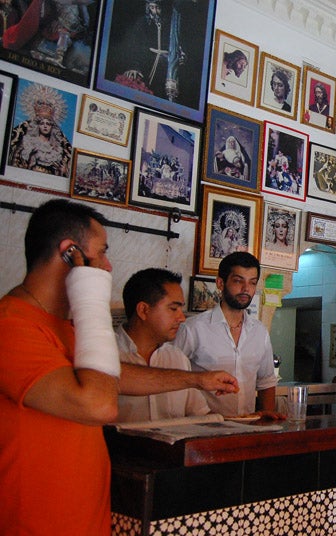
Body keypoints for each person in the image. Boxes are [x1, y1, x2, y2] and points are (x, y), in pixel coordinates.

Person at [0, 199, 238, 535]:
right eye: (102, 252)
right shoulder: (11, 326)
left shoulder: (60, 327)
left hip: (85, 517)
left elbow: (113, 375)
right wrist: (90, 297)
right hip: (36, 522)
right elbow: (98, 402)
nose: (109, 266)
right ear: (70, 254)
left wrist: (197, 379)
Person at [175, 252, 282, 419]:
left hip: (247, 428)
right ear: (220, 283)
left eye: (252, 283)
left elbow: (266, 382)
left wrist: (268, 420)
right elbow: (172, 378)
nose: (246, 289)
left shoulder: (259, 332)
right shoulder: (193, 329)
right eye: (238, 281)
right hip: (203, 428)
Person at [116, 268, 217, 422]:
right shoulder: (106, 353)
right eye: (173, 309)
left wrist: (244, 423)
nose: (182, 318)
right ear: (143, 310)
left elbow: (200, 415)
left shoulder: (177, 357)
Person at [8, 81, 73, 177]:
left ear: (52, 126)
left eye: (48, 124)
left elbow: (64, 171)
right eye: (42, 123)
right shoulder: (26, 140)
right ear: (37, 125)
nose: (45, 126)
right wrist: (29, 162)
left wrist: (63, 171)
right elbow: (14, 161)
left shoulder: (59, 146)